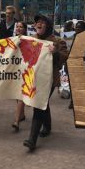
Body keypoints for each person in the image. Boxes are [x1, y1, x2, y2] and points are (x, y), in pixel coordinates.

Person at [23, 14, 68, 150]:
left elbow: (65, 56)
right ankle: (47, 127)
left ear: (47, 25)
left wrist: (55, 53)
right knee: (43, 103)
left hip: (49, 80)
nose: (39, 24)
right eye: (37, 22)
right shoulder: (31, 40)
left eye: (42, 22)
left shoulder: (57, 41)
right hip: (34, 78)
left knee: (38, 104)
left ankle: (32, 139)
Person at [12, 21, 28, 131]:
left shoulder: (28, 40)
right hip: (14, 70)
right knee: (17, 95)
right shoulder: (12, 39)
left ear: (25, 29)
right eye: (17, 26)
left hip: (25, 70)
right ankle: (21, 115)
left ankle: (16, 121)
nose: (18, 28)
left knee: (22, 94)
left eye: (21, 27)